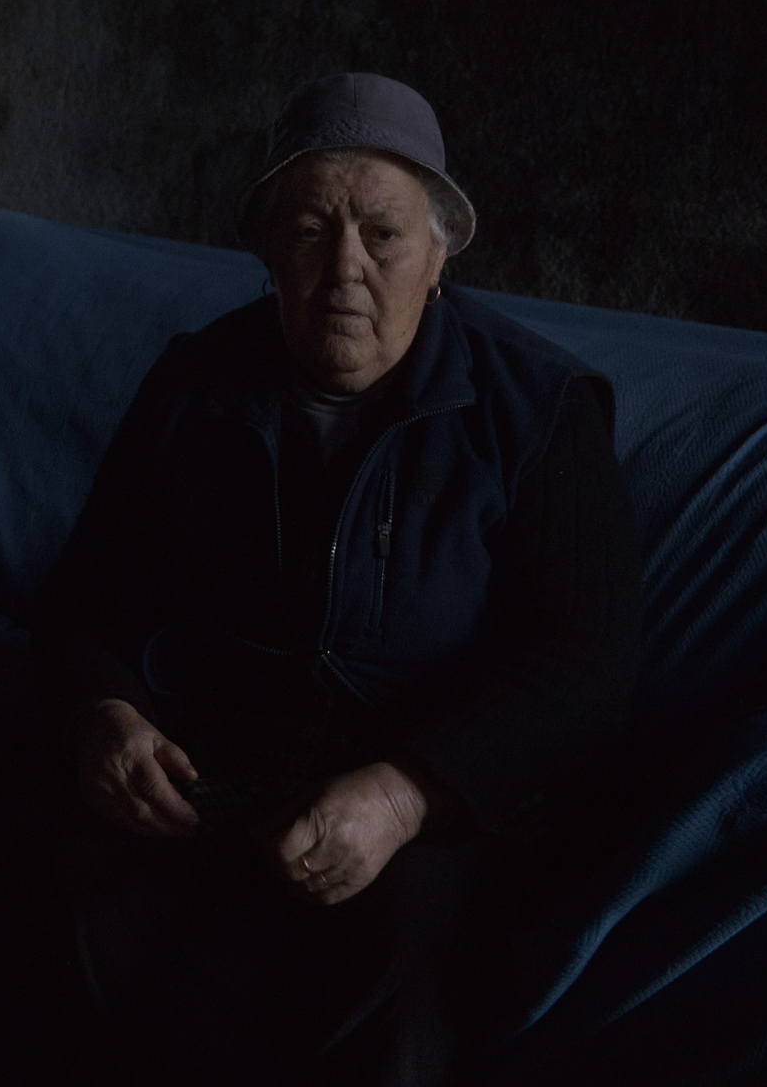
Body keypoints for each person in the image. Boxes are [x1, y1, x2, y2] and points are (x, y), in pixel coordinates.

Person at [44, 72, 644, 1084]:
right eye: (313, 229)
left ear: (438, 256)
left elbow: (590, 661)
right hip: (216, 778)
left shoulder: (537, 410)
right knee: (64, 901)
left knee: (399, 967)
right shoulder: (198, 382)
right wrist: (102, 710)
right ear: (270, 251)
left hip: (430, 803)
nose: (346, 267)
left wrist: (408, 794)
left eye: (382, 232)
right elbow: (80, 598)